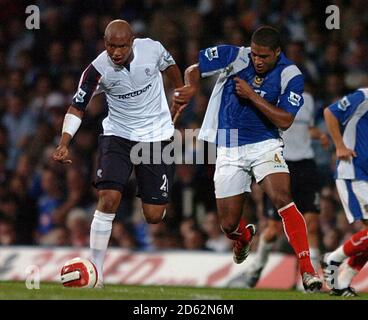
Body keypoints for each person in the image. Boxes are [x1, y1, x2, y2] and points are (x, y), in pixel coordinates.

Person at [173, 25, 322, 291]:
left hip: (265, 144)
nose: (257, 61)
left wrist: (252, 96)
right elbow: (193, 69)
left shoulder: (290, 75)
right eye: (254, 55)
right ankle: (242, 238)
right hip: (229, 146)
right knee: (228, 224)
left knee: (282, 198)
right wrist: (192, 87)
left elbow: (286, 120)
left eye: (264, 56)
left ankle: (308, 270)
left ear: (278, 52)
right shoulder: (234, 55)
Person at [53, 20, 184, 288]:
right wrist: (65, 141)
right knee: (108, 198)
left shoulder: (152, 49)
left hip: (156, 136)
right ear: (105, 43)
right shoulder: (96, 71)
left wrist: (179, 93)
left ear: (132, 41)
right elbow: (77, 107)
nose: (116, 52)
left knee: (154, 215)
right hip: (118, 135)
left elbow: (170, 66)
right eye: (111, 45)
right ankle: (97, 272)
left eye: (122, 46)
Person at [228, 91, 329, 290]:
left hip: (306, 166)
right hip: (278, 164)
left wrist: (319, 134)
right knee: (272, 231)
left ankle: (309, 277)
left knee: (313, 225)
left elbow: (305, 128)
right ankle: (256, 268)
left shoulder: (307, 99)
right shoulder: (268, 96)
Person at [321, 88, 368, 296]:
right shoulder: (364, 96)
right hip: (353, 171)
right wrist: (339, 146)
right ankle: (334, 258)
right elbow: (330, 112)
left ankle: (342, 281)